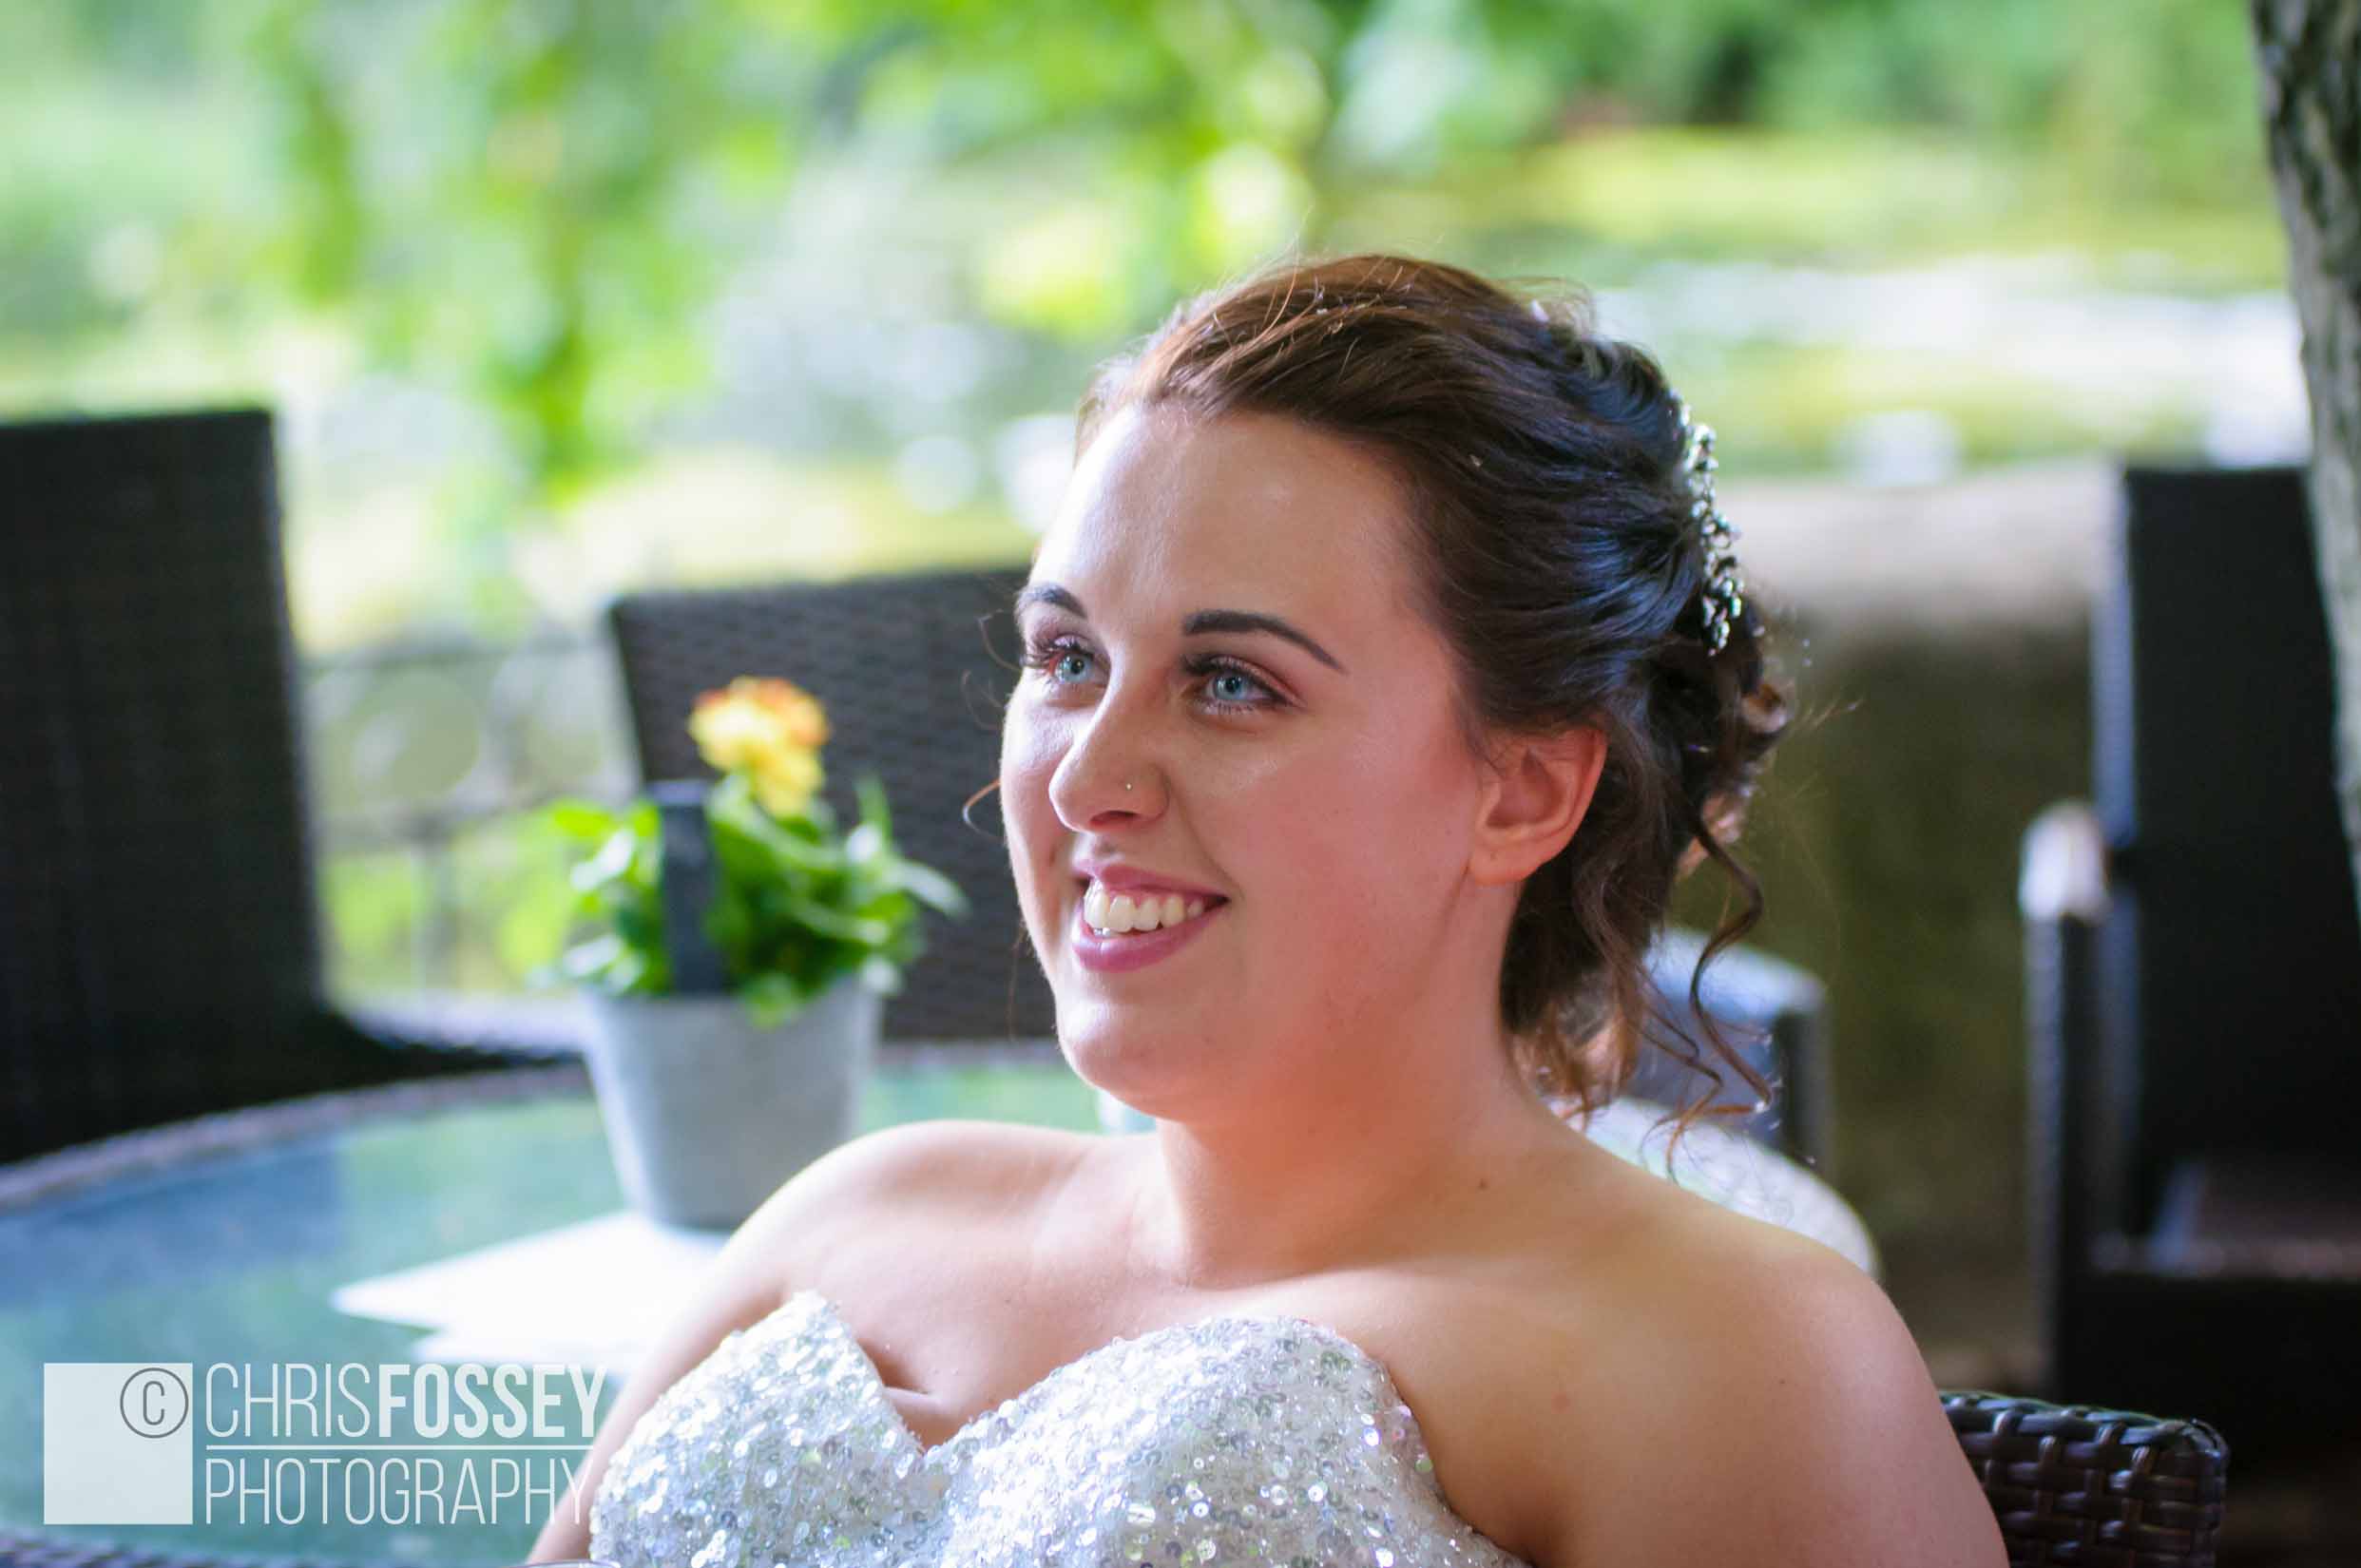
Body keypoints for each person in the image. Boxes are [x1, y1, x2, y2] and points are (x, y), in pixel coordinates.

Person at [530, 253, 2005, 1567]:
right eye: (1067, 658)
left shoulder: (1736, 1366)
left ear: (1522, 792)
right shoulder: (854, 1212)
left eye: (1232, 682)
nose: (1087, 780)